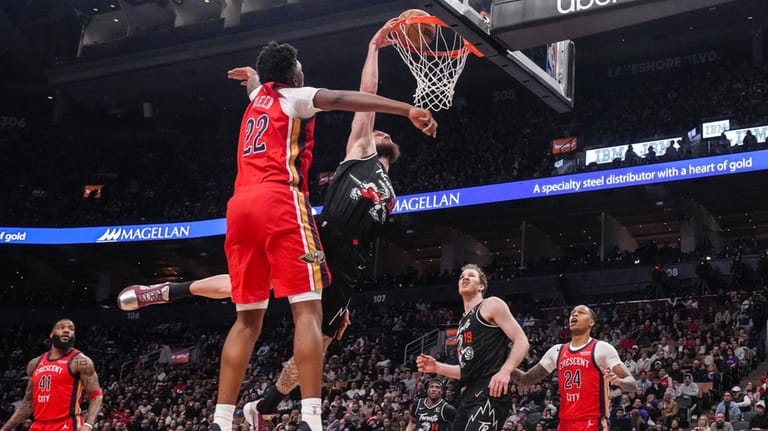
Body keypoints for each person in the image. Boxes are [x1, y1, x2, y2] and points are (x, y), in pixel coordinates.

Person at [216, 35, 436, 431]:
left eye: (387, 134)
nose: (380, 133)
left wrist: (255, 80)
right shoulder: (361, 148)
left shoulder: (391, 192)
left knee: (324, 335)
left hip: (344, 260)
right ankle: (309, 418)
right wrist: (375, 55)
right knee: (302, 315)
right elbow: (361, 95)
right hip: (310, 228)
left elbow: (261, 95)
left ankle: (259, 406)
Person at [416, 264, 530, 431]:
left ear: (481, 286)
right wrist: (437, 367)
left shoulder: (491, 304)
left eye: (471, 275)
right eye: (462, 276)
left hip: (491, 390)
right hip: (469, 393)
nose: (464, 277)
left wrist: (505, 371)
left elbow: (522, 341)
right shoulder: (462, 322)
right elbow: (467, 369)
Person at [510, 305, 637, 431]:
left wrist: (619, 381)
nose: (574, 315)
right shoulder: (556, 351)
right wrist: (503, 366)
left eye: (581, 312)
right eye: (572, 313)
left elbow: (632, 384)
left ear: (591, 322)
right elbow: (526, 379)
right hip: (565, 423)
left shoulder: (601, 348)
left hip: (592, 422)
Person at [0, 319, 103, 431]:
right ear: (51, 334)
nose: (66, 331)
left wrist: (88, 425)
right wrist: (5, 428)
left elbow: (96, 395)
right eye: (61, 327)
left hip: (66, 424)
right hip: (38, 425)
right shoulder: (34, 364)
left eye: (71, 329)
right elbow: (28, 402)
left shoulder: (80, 361)